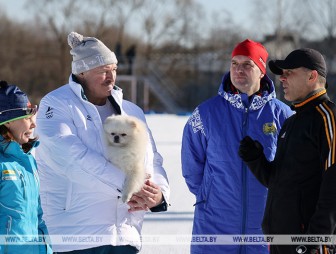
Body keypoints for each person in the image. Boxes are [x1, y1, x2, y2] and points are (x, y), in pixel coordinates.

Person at [34, 31, 170, 253]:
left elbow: (152, 159)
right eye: (103, 71)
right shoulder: (56, 104)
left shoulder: (131, 111)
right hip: (78, 237)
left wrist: (158, 195)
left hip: (126, 235)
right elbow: (73, 159)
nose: (111, 77)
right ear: (82, 72)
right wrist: (131, 186)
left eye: (114, 69)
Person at [181, 39, 293, 254]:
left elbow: (293, 169)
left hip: (266, 226)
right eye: (234, 63)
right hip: (214, 224)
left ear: (261, 71)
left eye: (247, 64)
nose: (239, 70)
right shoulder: (205, 114)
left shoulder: (284, 116)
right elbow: (191, 166)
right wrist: (210, 196)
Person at [238, 48, 336, 254]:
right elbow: (280, 183)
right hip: (281, 240)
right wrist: (255, 159)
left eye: (289, 72)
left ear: (312, 76)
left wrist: (317, 239)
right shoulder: (291, 122)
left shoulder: (328, 118)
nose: (281, 78)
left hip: (310, 244)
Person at [0, 80, 52, 254]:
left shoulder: (28, 161)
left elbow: (36, 217)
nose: (33, 124)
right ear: (7, 121)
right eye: (27, 117)